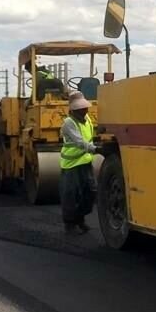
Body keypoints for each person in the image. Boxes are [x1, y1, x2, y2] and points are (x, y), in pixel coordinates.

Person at [59, 93, 97, 234]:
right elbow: (79, 141)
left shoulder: (87, 120)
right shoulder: (69, 123)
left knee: (91, 192)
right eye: (81, 109)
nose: (85, 111)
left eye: (85, 108)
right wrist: (95, 149)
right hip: (71, 164)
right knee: (70, 194)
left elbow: (90, 136)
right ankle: (70, 224)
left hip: (85, 162)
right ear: (73, 110)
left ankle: (79, 217)